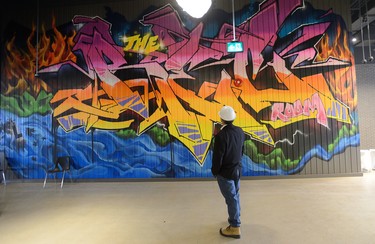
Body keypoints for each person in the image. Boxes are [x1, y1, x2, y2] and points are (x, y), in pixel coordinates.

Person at [211, 105, 245, 239]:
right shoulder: (240, 131)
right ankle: (235, 218)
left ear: (221, 119)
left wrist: (215, 171)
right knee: (235, 196)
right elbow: (241, 151)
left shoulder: (221, 136)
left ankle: (235, 227)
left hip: (225, 173)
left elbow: (218, 157)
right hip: (237, 170)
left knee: (231, 199)